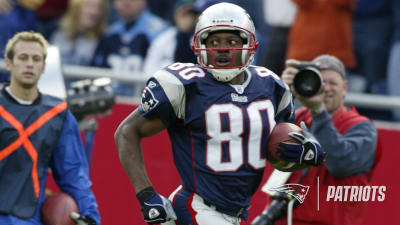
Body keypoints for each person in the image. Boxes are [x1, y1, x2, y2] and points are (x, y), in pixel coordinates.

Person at [114, 3, 324, 225]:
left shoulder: (270, 86)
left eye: (232, 41)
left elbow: (279, 155)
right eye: (214, 41)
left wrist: (302, 153)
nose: (223, 48)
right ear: (199, 46)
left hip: (236, 212)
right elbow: (127, 132)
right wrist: (146, 195)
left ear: (250, 45)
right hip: (198, 207)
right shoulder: (185, 85)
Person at [253, 55, 381, 225]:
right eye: (320, 82)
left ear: (344, 88)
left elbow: (339, 163)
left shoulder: (363, 128)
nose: (325, 88)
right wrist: (280, 93)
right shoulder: (298, 118)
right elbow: (256, 140)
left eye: (332, 83)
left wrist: (318, 111)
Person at [0, 31, 100, 224]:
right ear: (9, 63)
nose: (30, 64)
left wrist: (90, 216)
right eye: (23, 58)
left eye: (36, 59)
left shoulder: (58, 115)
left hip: (27, 219)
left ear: (44, 66)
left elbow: (73, 173)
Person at [91, 0, 169, 97]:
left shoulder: (161, 32)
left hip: (144, 102)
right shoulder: (110, 33)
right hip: (110, 100)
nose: (126, 2)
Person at [50, 0, 108, 66]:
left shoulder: (103, 40)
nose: (94, 12)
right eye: (89, 6)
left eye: (99, 8)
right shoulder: (54, 30)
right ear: (76, 7)